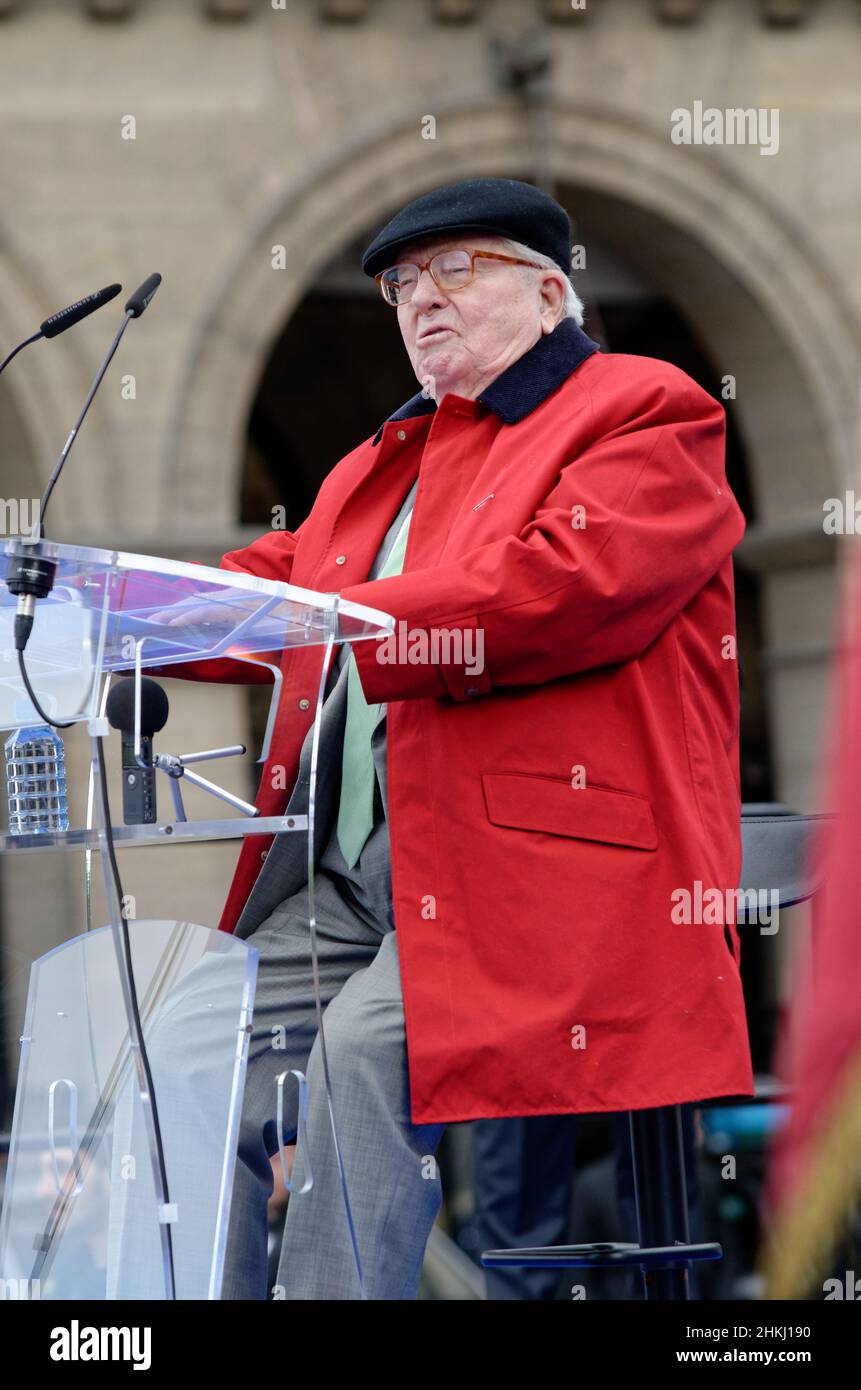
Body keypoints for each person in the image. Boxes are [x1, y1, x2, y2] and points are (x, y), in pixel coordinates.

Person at [155, 177, 754, 1299]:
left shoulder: (647, 408)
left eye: (453, 269)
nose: (419, 298)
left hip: (534, 882)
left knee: (352, 1066)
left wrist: (353, 622)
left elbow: (563, 587)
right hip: (351, 885)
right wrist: (95, 615)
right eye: (397, 283)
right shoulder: (375, 468)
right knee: (180, 1058)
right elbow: (255, 601)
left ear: (547, 289)